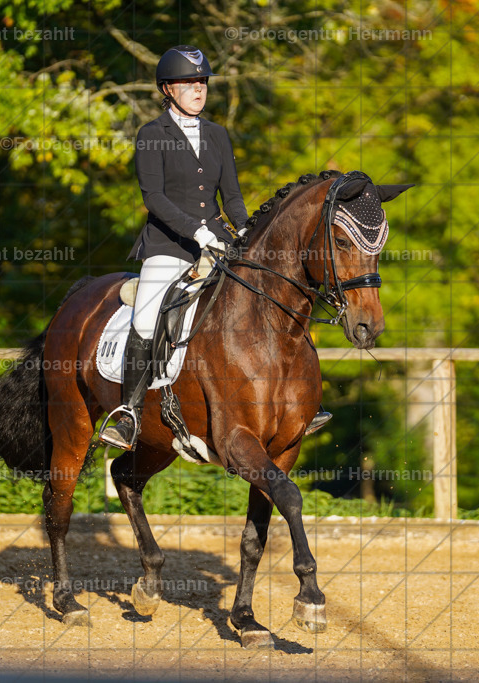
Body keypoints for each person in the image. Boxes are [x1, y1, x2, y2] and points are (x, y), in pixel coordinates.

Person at [100, 45, 331, 451]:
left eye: (202, 82)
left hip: (221, 244)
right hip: (168, 247)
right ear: (168, 89)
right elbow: (154, 197)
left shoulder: (218, 135)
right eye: (189, 83)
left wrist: (245, 232)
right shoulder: (152, 135)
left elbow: (234, 197)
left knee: (274, 300)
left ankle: (298, 403)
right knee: (146, 317)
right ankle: (129, 414)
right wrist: (197, 232)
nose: (198, 89)